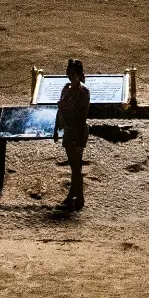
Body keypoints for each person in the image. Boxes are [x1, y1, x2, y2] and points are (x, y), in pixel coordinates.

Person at [54, 57, 91, 211]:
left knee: (76, 166)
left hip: (78, 130)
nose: (69, 75)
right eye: (68, 72)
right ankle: (76, 196)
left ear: (78, 74)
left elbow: (82, 113)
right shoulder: (65, 88)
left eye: (72, 73)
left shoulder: (83, 91)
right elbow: (60, 109)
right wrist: (56, 128)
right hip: (68, 130)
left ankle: (75, 196)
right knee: (73, 165)